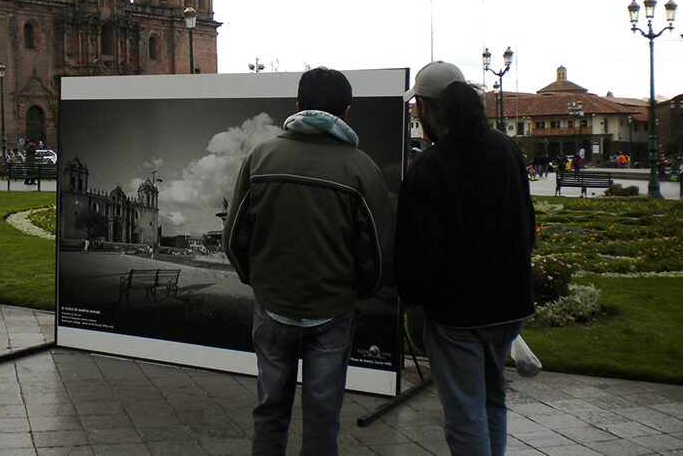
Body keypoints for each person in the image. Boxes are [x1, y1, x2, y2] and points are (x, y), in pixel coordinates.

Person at [222, 67, 395, 455]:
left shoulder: (261, 157)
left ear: (298, 106)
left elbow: (234, 237)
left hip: (273, 307)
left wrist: (258, 280)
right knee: (322, 416)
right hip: (332, 312)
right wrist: (354, 291)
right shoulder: (362, 168)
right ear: (346, 113)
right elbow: (378, 254)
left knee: (269, 409)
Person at [394, 61, 534, 456]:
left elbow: (416, 251)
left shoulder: (430, 168)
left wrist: (414, 301)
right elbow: (528, 224)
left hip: (458, 313)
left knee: (465, 412)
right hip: (509, 306)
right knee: (492, 400)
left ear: (424, 107)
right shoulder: (507, 149)